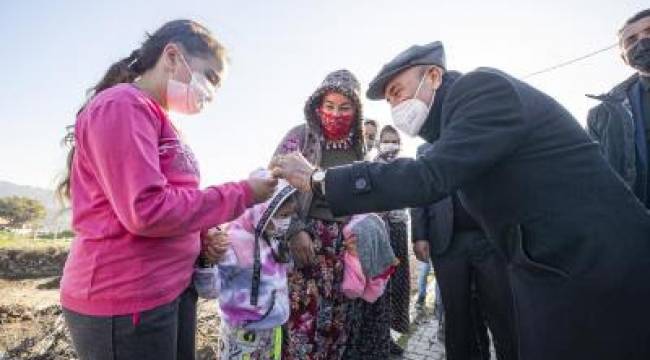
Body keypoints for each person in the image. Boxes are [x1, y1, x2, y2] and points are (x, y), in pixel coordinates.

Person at [272, 41, 650, 360]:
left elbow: (428, 177)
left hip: (592, 259)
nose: (395, 107)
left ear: (433, 75)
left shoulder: (480, 89)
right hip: (549, 260)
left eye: (398, 92)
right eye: (388, 101)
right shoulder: (448, 124)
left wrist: (317, 178)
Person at [57, 20, 277, 360]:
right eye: (210, 77)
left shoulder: (160, 118)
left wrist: (203, 234)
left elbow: (175, 196)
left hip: (169, 288)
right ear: (172, 56)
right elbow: (146, 210)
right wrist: (244, 193)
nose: (212, 93)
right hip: (125, 299)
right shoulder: (121, 105)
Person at [270, 69, 366, 359]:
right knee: (303, 323)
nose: (336, 113)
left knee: (337, 326)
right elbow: (274, 182)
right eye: (329, 106)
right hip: (307, 239)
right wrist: (294, 229)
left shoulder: (358, 146)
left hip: (343, 246)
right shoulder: (300, 137)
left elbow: (365, 195)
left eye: (344, 108)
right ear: (318, 105)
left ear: (356, 110)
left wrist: (358, 233)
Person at [410, 143, 516, 360]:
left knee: (501, 311)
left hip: (488, 240)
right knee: (457, 316)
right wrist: (419, 234)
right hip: (446, 244)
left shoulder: (485, 137)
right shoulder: (425, 150)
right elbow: (420, 194)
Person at [215, 180, 297, 359]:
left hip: (272, 329)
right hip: (242, 335)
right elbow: (212, 285)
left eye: (289, 215)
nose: (286, 222)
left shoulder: (273, 237)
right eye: (282, 215)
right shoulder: (232, 241)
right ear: (264, 210)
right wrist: (206, 261)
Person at [587, 9, 650, 208]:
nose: (642, 42)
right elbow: (595, 179)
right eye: (631, 40)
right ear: (624, 57)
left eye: (649, 31)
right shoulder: (602, 115)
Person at [374, 125, 410, 355]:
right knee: (381, 286)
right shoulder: (373, 166)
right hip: (380, 231)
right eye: (386, 141)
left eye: (394, 141)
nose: (390, 145)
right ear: (379, 143)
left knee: (398, 285)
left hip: (399, 229)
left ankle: (389, 336)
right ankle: (378, 339)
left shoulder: (405, 166)